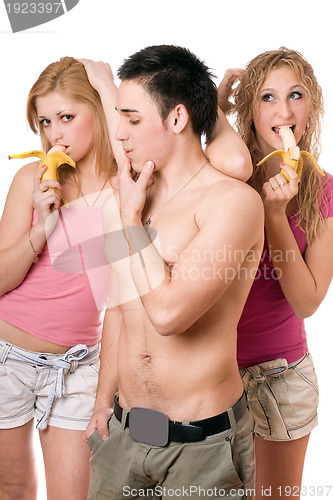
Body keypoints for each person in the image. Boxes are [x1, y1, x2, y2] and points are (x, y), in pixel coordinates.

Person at [85, 45, 264, 500]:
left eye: (132, 119)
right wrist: (103, 401)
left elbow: (167, 315)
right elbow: (121, 309)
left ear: (178, 119)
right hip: (122, 434)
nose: (118, 133)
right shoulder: (130, 196)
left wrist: (129, 222)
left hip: (201, 448)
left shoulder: (231, 203)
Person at [210, 48, 333, 499]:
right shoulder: (223, 172)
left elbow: (308, 301)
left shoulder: (323, 189)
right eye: (267, 97)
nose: (283, 111)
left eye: (295, 95)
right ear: (249, 109)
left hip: (281, 378)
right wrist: (215, 112)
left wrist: (275, 216)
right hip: (209, 372)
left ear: (312, 105)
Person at [0, 57, 119, 500]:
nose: (55, 134)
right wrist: (41, 228)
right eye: (46, 121)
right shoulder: (31, 179)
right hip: (7, 359)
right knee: (13, 490)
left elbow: (229, 163)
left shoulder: (125, 184)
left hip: (78, 367)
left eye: (68, 117)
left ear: (99, 113)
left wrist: (108, 85)